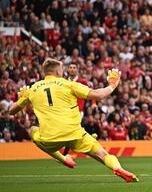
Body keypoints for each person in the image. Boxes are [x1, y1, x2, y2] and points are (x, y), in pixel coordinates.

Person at [8, 58, 138, 182]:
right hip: (74, 133)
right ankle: (118, 168)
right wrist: (112, 86)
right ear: (58, 72)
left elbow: (11, 111)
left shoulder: (33, 89)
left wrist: (21, 99)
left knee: (33, 130)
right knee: (103, 154)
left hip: (50, 137)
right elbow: (99, 95)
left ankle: (63, 159)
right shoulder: (68, 84)